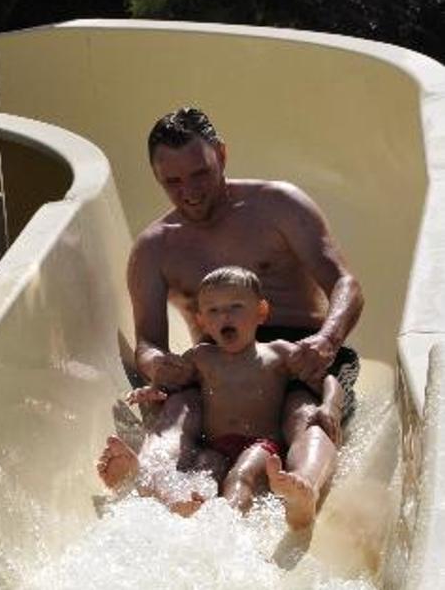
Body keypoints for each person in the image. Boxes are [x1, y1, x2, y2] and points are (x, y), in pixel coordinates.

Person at [96, 107, 363, 528]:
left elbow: (346, 284)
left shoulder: (279, 205)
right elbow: (148, 342)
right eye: (172, 182)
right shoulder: (154, 248)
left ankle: (304, 488)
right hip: (220, 363)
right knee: (178, 409)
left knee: (304, 412)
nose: (189, 191)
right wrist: (159, 365)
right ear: (157, 178)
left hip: (300, 351)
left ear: (221, 154)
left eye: (200, 173)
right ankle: (156, 480)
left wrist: (327, 341)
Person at [127, 266, 343, 520]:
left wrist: (329, 406)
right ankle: (192, 510)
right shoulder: (200, 357)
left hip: (262, 444)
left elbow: (327, 379)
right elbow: (173, 384)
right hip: (215, 445)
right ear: (201, 320)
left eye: (236, 307)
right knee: (203, 471)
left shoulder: (278, 354)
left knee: (242, 475)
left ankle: (233, 522)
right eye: (213, 310)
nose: (224, 316)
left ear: (261, 312)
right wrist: (153, 392)